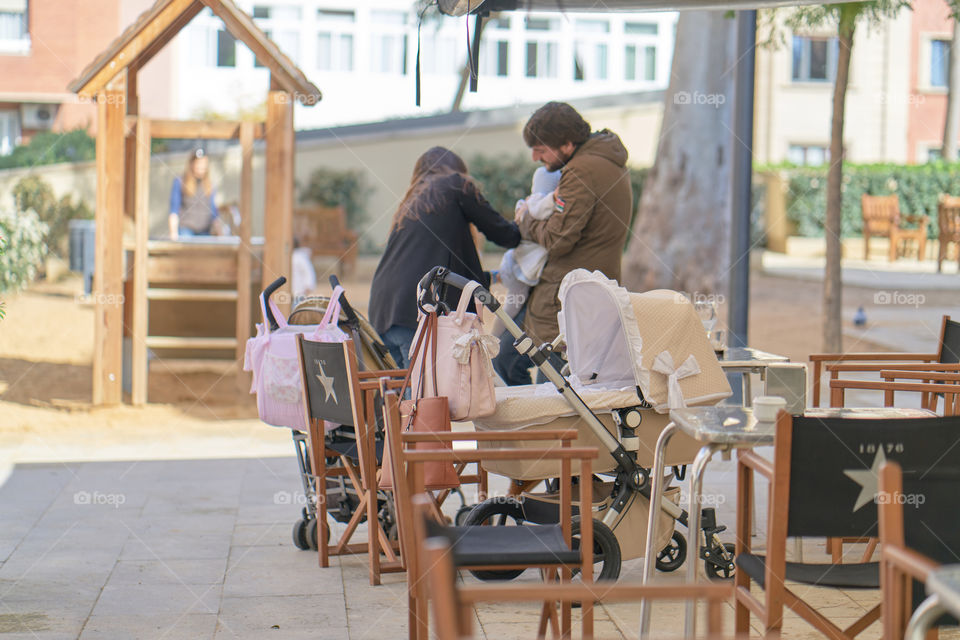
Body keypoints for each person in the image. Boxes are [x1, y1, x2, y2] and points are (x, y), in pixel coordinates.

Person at [493, 102, 633, 386]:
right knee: (506, 358)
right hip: (571, 293)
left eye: (541, 149)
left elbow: (557, 239)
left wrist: (525, 220)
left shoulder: (582, 172)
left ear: (567, 144)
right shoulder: (604, 162)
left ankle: (538, 430)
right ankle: (533, 428)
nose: (534, 157)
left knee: (551, 385)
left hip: (564, 298)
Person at [369, 147, 521, 369]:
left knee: (405, 399)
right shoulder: (455, 183)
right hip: (417, 314)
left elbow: (443, 266)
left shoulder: (412, 202)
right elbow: (505, 234)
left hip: (383, 312)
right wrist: (525, 219)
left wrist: (493, 277)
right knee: (428, 398)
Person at [491, 166, 561, 338]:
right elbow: (538, 209)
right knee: (512, 305)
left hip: (516, 261)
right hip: (522, 267)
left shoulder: (528, 202)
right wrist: (553, 198)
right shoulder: (540, 202)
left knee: (513, 301)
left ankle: (497, 276)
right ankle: (494, 336)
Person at [168, 149, 218, 238]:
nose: (201, 166)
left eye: (204, 164)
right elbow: (174, 209)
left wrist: (220, 234)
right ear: (192, 164)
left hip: (205, 230)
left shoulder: (209, 185)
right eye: (198, 163)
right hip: (186, 230)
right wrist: (173, 233)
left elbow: (213, 211)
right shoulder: (180, 182)